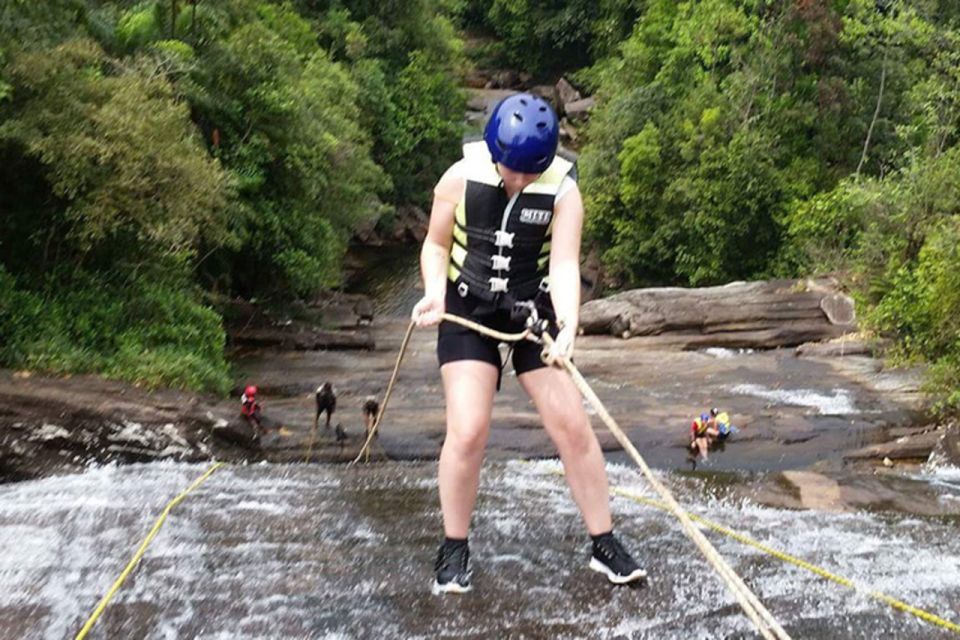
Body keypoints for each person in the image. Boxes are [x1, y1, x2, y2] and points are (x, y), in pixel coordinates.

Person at [411, 93, 645, 595]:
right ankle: (454, 547)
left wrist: (567, 327)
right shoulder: (458, 177)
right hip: (466, 307)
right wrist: (434, 293)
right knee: (469, 429)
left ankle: (603, 543)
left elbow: (563, 264)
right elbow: (434, 243)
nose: (517, 180)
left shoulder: (563, 191)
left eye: (528, 172)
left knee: (572, 424)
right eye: (510, 169)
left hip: (530, 312)